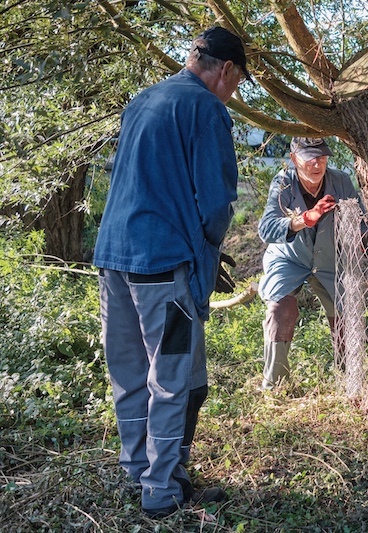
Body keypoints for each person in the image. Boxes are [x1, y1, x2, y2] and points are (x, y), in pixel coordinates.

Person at [93, 26, 250, 519]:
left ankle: (136, 472)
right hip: (163, 264)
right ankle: (161, 491)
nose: (234, 91)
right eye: (238, 81)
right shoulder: (206, 108)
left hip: (113, 258)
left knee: (129, 374)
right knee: (171, 376)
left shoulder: (142, 101)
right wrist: (209, 254)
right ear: (225, 69)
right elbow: (216, 205)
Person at [257, 137, 364, 390]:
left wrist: (363, 238)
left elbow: (362, 221)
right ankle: (275, 386)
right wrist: (304, 219)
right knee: (280, 310)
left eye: (323, 157)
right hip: (289, 257)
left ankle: (349, 382)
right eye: (310, 157)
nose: (317, 164)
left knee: (344, 314)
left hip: (329, 259)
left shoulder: (341, 181)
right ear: (294, 159)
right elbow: (266, 229)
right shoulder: (283, 183)